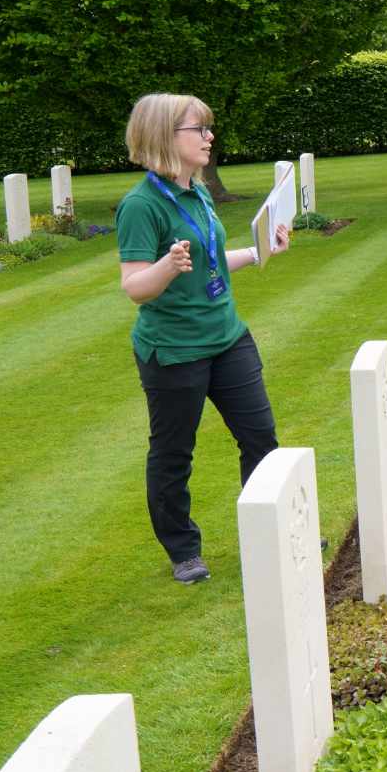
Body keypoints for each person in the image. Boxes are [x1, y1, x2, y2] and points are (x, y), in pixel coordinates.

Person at [116, 93, 292, 584]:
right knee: (174, 453)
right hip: (173, 352)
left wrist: (260, 252)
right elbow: (134, 287)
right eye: (200, 129)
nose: (210, 137)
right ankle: (183, 550)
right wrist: (166, 267)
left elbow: (211, 263)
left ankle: (271, 527)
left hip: (227, 337)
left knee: (260, 437)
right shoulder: (140, 205)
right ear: (164, 136)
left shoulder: (197, 191)